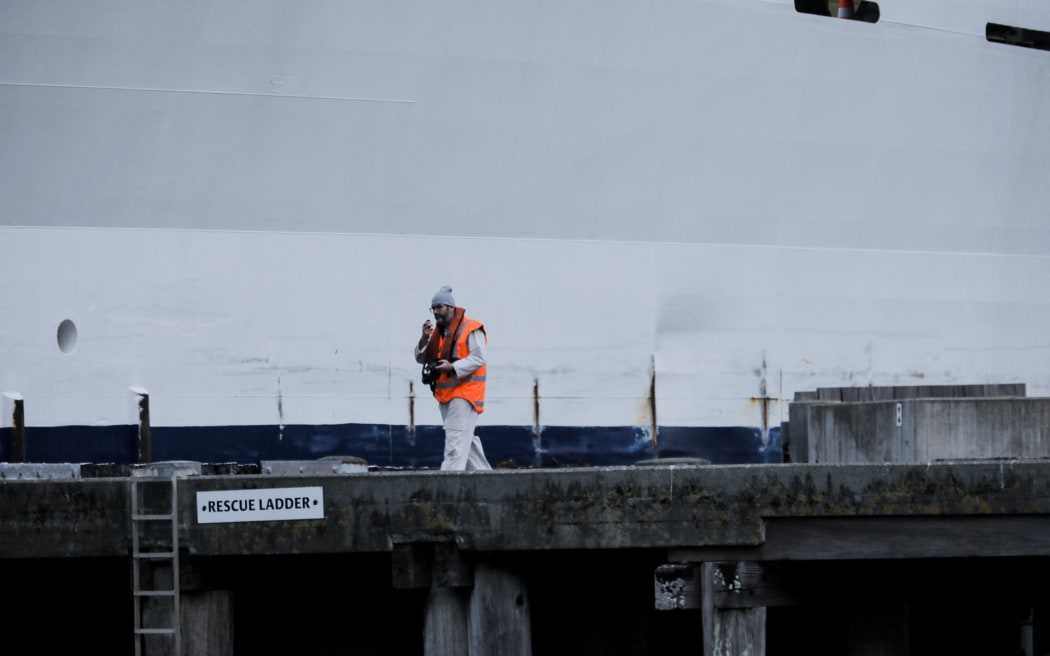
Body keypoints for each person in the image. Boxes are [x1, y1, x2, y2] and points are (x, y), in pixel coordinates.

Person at [415, 286, 493, 471]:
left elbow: (479, 358)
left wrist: (453, 367)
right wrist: (424, 339)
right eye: (433, 308)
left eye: (439, 307)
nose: (435, 312)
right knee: (466, 443)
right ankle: (488, 481)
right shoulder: (439, 333)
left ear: (451, 307)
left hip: (464, 394)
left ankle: (445, 489)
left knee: (455, 445)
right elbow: (421, 359)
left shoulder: (471, 328)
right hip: (446, 394)